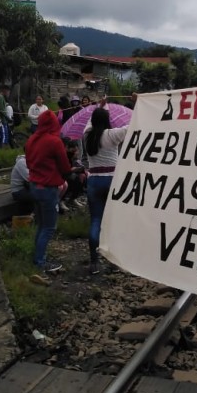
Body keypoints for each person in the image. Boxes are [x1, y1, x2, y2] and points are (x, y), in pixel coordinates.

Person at [84, 100, 131, 275]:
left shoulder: (86, 135)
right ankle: (113, 261)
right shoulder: (113, 134)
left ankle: (94, 263)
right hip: (112, 180)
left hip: (94, 181)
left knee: (96, 220)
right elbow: (131, 126)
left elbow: (90, 122)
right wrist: (137, 104)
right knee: (113, 222)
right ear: (107, 120)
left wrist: (100, 106)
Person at [25, 109, 72, 276]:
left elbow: (29, 162)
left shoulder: (31, 139)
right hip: (48, 189)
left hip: (34, 186)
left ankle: (38, 257)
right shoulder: (54, 141)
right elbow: (65, 167)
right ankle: (40, 262)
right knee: (49, 227)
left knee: (41, 225)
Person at [61, 138, 86, 209]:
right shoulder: (63, 155)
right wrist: (73, 169)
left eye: (77, 150)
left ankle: (73, 198)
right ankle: (62, 200)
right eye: (74, 150)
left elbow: (77, 165)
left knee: (83, 176)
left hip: (69, 174)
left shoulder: (73, 157)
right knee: (74, 178)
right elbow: (64, 169)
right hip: (62, 175)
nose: (76, 152)